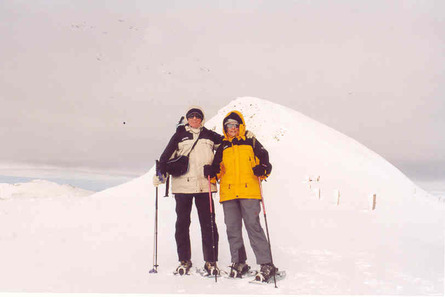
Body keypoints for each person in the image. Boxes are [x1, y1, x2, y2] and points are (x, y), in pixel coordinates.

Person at [204, 110, 278, 282]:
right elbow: (218, 170)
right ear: (225, 128)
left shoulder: (251, 142)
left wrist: (263, 169)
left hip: (249, 191)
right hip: (229, 193)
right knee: (233, 229)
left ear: (240, 126)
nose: (232, 128)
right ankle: (239, 262)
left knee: (253, 226)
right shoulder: (223, 147)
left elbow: (265, 160)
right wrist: (211, 172)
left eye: (235, 125)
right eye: (228, 125)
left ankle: (267, 264)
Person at [153, 106, 222, 276]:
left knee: (209, 225)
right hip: (182, 186)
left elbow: (226, 144)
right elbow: (165, 157)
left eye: (198, 116)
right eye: (191, 116)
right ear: (187, 118)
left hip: (204, 186)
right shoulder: (179, 135)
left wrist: (215, 166)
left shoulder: (210, 135)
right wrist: (160, 175)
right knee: (182, 224)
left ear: (202, 119)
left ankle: (211, 261)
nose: (195, 119)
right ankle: (184, 259)